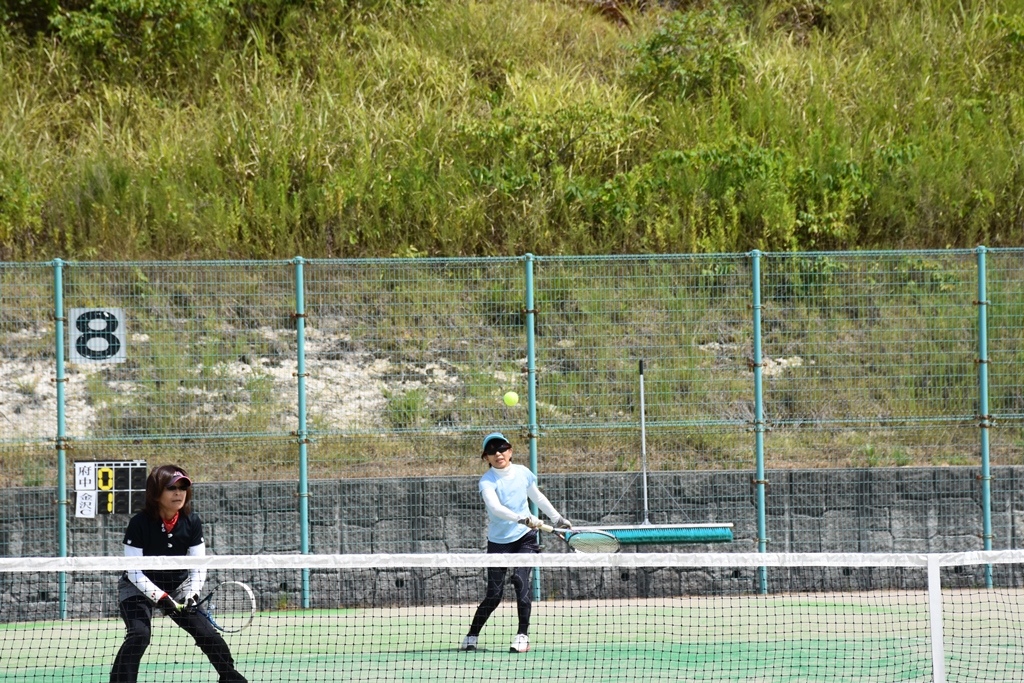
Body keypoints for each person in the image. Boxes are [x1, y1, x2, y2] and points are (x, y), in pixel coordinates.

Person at [110, 464, 247, 683]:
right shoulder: (139, 523)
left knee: (208, 635)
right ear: (156, 493)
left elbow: (198, 564)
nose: (179, 493)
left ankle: (231, 680)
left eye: (183, 488)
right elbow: (133, 571)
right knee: (139, 635)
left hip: (178, 586)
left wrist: (192, 593)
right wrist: (161, 597)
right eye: (172, 488)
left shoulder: (191, 521)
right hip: (137, 587)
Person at [460, 432, 572, 653]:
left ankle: (522, 635)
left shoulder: (522, 473)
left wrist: (557, 518)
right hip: (499, 542)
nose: (498, 453)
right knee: (494, 595)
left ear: (510, 451)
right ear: (486, 458)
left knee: (521, 581)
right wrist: (522, 518)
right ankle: (472, 635)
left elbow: (537, 497)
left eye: (502, 448)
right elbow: (495, 508)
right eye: (492, 451)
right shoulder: (487, 481)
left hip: (525, 537)